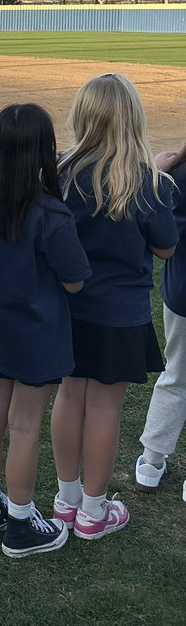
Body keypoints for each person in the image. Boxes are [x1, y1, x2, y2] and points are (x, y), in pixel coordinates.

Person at [51, 73, 177, 539]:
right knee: (104, 408)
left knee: (69, 396)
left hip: (69, 308)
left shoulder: (60, 174)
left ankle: (67, 500)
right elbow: (165, 247)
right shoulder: (147, 181)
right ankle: (93, 511)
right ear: (132, 119)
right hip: (120, 314)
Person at [0, 104, 90, 557]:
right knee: (24, 426)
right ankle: (20, 524)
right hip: (36, 332)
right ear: (44, 151)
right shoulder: (51, 213)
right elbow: (74, 280)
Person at [136, 141, 186, 499]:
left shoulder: (177, 173)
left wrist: (156, 174)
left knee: (176, 374)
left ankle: (151, 463)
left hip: (182, 292)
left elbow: (166, 237)